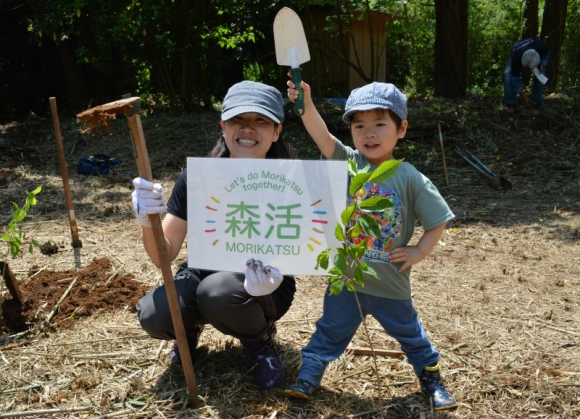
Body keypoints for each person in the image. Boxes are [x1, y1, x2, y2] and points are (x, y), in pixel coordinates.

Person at [283, 80, 458, 411]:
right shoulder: (347, 162)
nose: (369, 133)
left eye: (380, 124)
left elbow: (438, 220)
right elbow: (320, 135)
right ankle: (308, 375)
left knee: (411, 335)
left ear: (401, 129)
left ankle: (431, 379)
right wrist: (305, 102)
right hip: (347, 280)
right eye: (359, 125)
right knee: (329, 331)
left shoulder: (408, 177)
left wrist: (420, 251)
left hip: (391, 282)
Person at [131, 80, 296, 390]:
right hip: (202, 273)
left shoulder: (294, 182)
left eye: (260, 120)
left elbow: (305, 246)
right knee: (156, 313)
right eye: (238, 120)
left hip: (265, 284)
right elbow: (163, 255)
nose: (248, 129)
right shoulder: (197, 178)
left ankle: (261, 346)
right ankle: (187, 332)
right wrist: (146, 219)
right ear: (223, 127)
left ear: (276, 131)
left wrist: (277, 269)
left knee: (217, 291)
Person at [503, 38, 550, 108]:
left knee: (540, 75)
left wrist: (543, 66)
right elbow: (515, 78)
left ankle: (536, 101)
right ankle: (511, 103)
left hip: (535, 47)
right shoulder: (516, 58)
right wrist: (523, 97)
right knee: (508, 74)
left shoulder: (542, 48)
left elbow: (546, 55)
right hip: (517, 49)